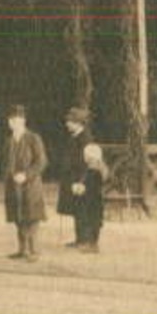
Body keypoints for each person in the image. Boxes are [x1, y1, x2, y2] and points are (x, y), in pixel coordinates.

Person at [3, 104, 48, 261]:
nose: (13, 123)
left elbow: (41, 162)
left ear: (23, 121)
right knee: (18, 217)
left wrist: (26, 175)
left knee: (32, 217)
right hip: (13, 186)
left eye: (17, 120)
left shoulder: (33, 138)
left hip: (31, 185)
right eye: (11, 120)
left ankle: (33, 250)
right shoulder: (9, 141)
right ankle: (22, 250)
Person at [58, 105, 94, 247]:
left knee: (83, 209)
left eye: (70, 121)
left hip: (82, 179)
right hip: (73, 178)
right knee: (77, 209)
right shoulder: (74, 136)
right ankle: (80, 239)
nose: (67, 124)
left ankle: (86, 240)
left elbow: (88, 163)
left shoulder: (85, 138)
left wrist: (81, 182)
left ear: (78, 123)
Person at [71, 142, 108, 252]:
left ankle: (93, 244)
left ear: (91, 157)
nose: (84, 157)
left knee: (92, 222)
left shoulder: (94, 171)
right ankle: (89, 243)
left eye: (86, 155)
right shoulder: (93, 169)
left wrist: (80, 188)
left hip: (92, 201)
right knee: (90, 221)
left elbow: (92, 187)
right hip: (92, 200)